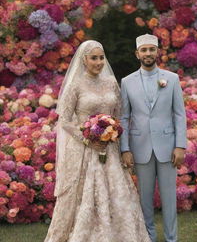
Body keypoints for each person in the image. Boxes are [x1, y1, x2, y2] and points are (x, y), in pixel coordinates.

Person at [44, 40, 151, 242]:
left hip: (110, 149)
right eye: (94, 58)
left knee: (117, 195)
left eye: (101, 57)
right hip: (85, 151)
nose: (99, 62)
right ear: (84, 60)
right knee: (85, 196)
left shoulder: (111, 82)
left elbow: (119, 115)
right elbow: (64, 120)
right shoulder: (75, 85)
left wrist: (113, 131)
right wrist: (86, 138)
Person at [120, 34, 187, 242]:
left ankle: (171, 238)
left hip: (168, 148)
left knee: (169, 199)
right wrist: (125, 149)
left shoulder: (172, 79)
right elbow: (124, 117)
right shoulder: (127, 82)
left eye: (151, 49)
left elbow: (179, 114)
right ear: (137, 53)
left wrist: (180, 146)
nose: (148, 53)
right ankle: (148, 237)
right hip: (140, 148)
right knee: (145, 200)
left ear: (157, 52)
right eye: (144, 50)